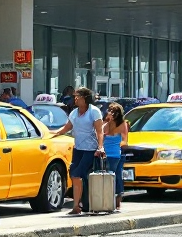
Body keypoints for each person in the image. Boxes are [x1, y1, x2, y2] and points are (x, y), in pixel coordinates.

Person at [50, 86, 104, 216]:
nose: (75, 99)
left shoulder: (94, 112)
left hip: (90, 149)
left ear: (85, 98)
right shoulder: (74, 113)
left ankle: (79, 205)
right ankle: (78, 206)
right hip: (78, 148)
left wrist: (100, 147)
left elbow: (99, 131)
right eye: (74, 97)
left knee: (78, 174)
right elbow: (66, 128)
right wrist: (52, 134)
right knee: (75, 174)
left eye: (77, 97)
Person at [102, 102, 128, 212]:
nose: (109, 113)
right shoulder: (106, 123)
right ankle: (113, 202)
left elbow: (125, 141)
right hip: (105, 154)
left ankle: (114, 201)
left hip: (114, 155)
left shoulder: (122, 124)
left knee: (111, 177)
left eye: (111, 111)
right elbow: (100, 135)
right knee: (114, 177)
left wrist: (118, 144)